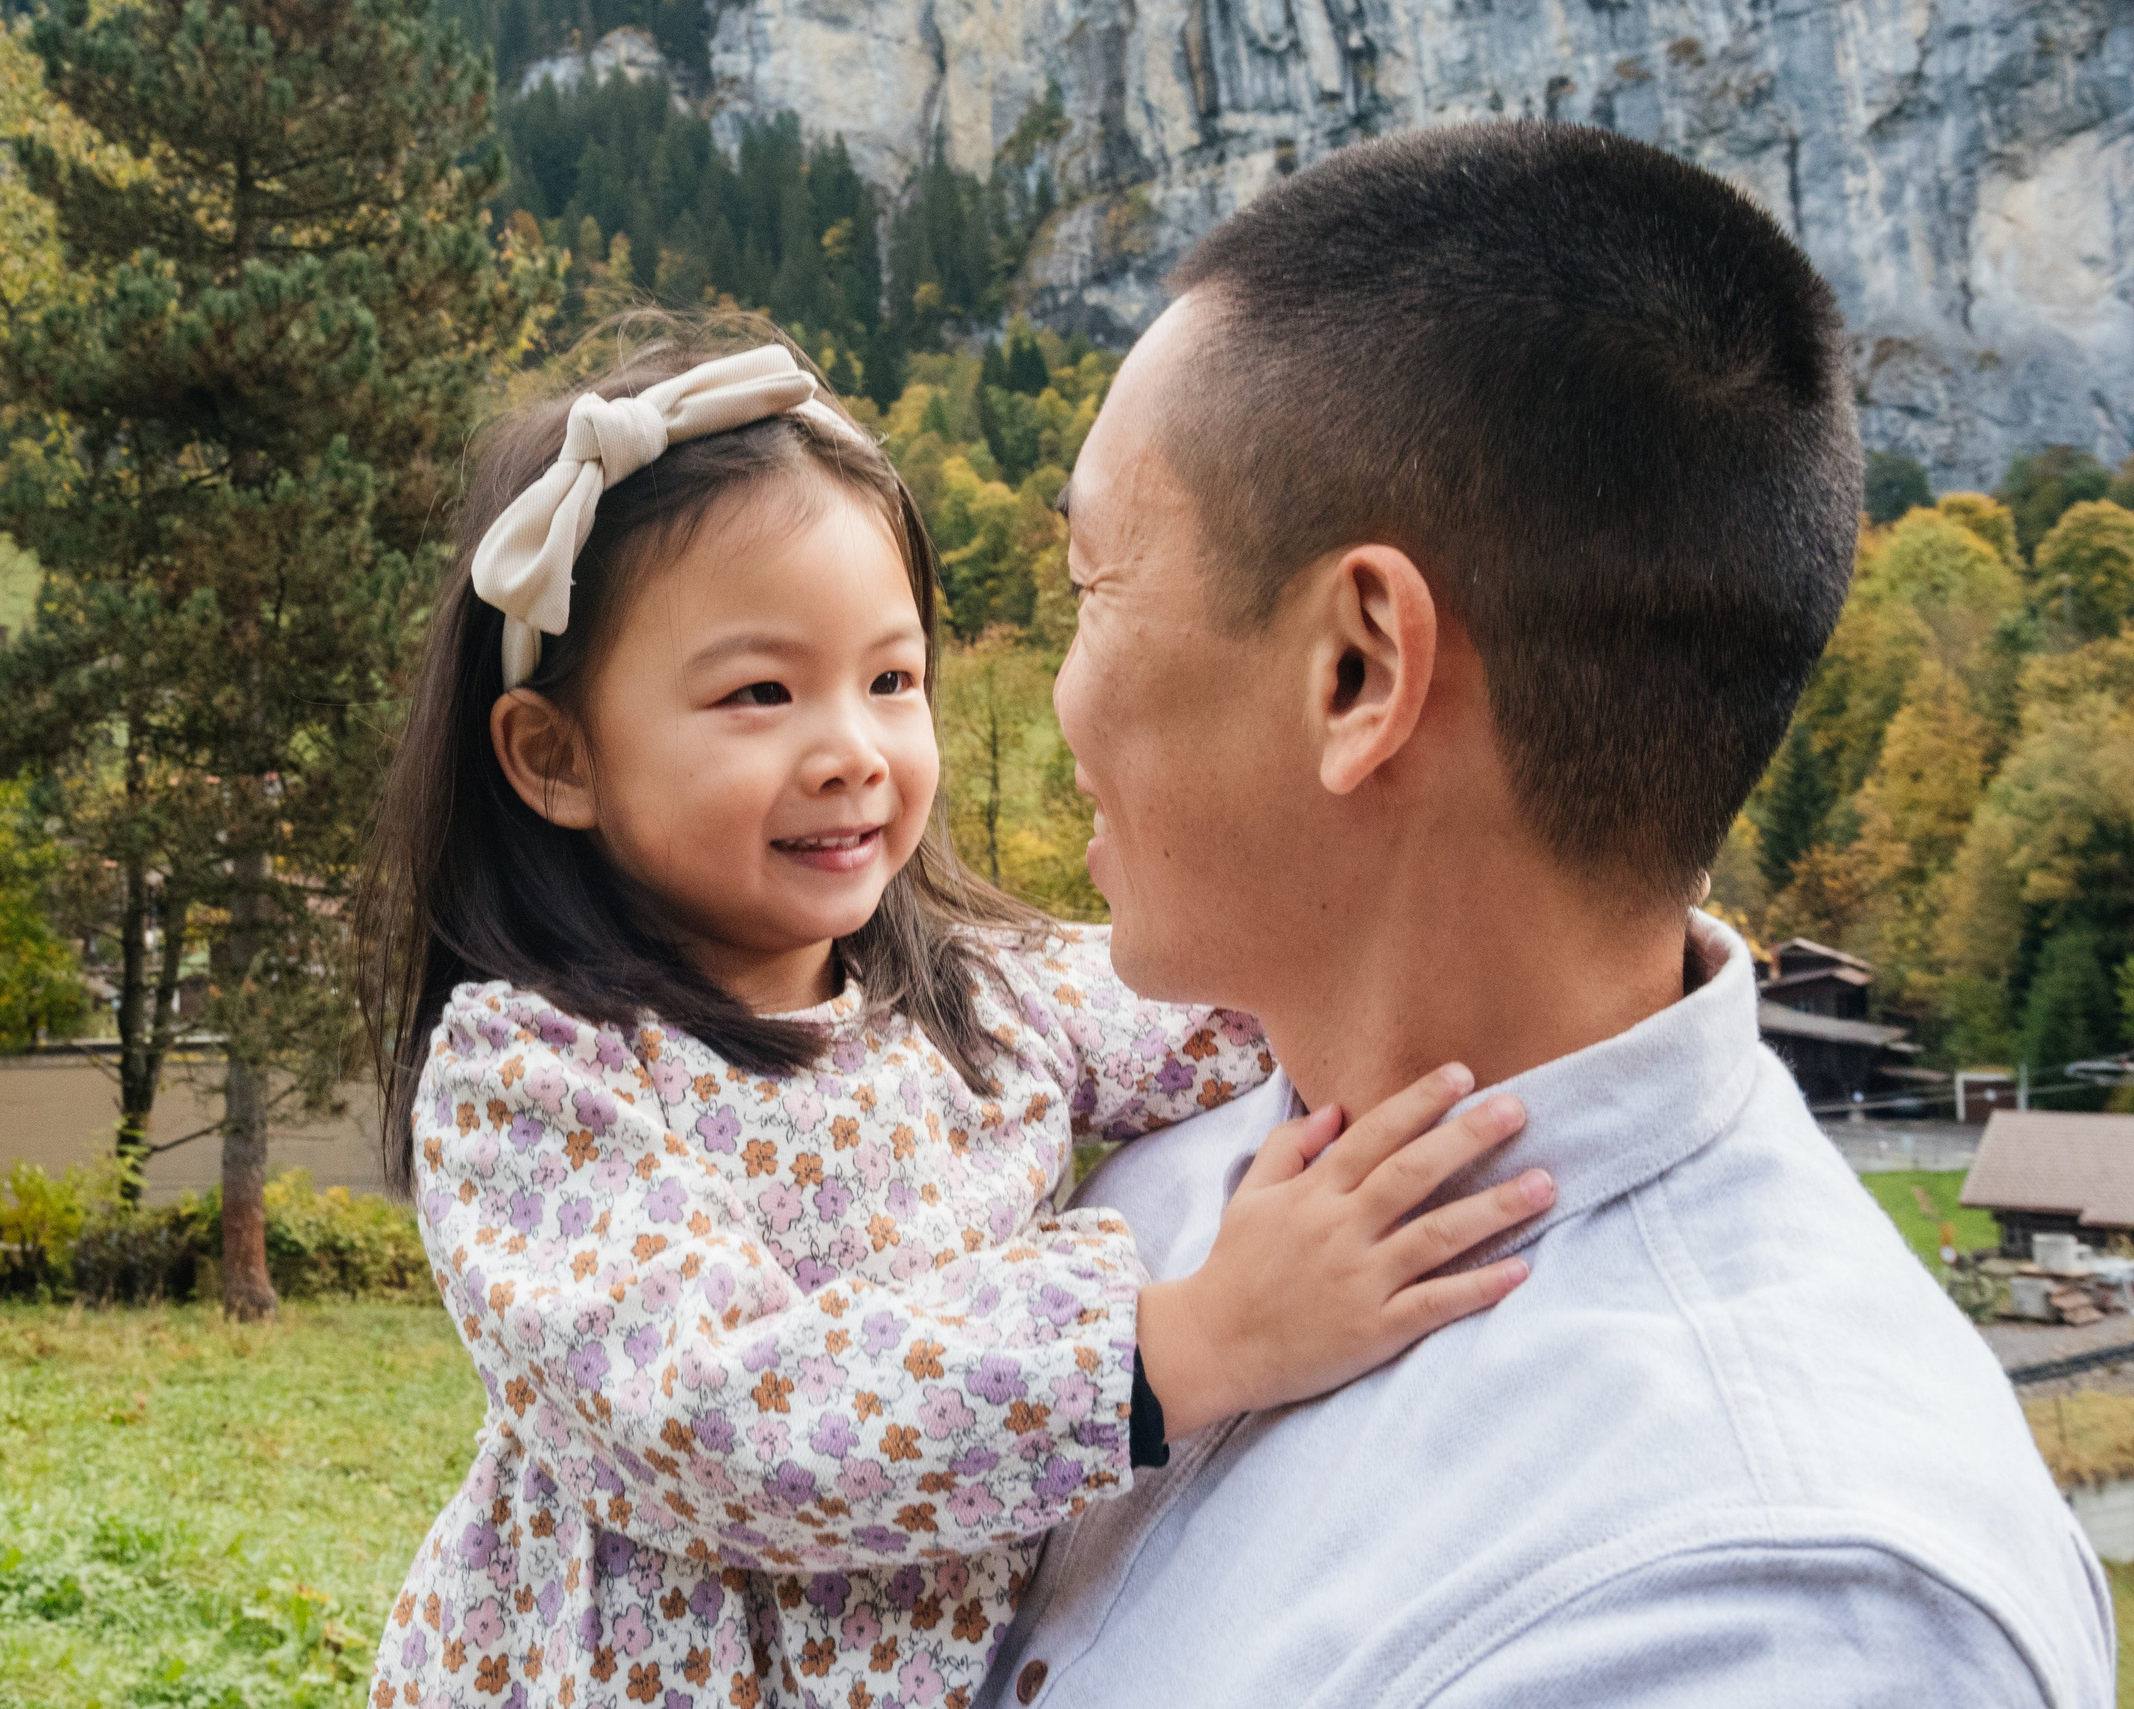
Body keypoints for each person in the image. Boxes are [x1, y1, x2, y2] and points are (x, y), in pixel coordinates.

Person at [975, 122, 2114, 1707]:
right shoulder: (1148, 1186)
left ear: (1358, 671)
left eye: (1093, 585)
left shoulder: (1759, 1598)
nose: (1061, 691)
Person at [356, 326, 1553, 1709]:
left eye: (892, 678)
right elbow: (713, 1422)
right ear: (555, 757)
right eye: (761, 692)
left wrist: (1525, 864)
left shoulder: (977, 998)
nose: (854, 749)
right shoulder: (538, 1074)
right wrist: (1187, 1338)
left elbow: (1266, 991)